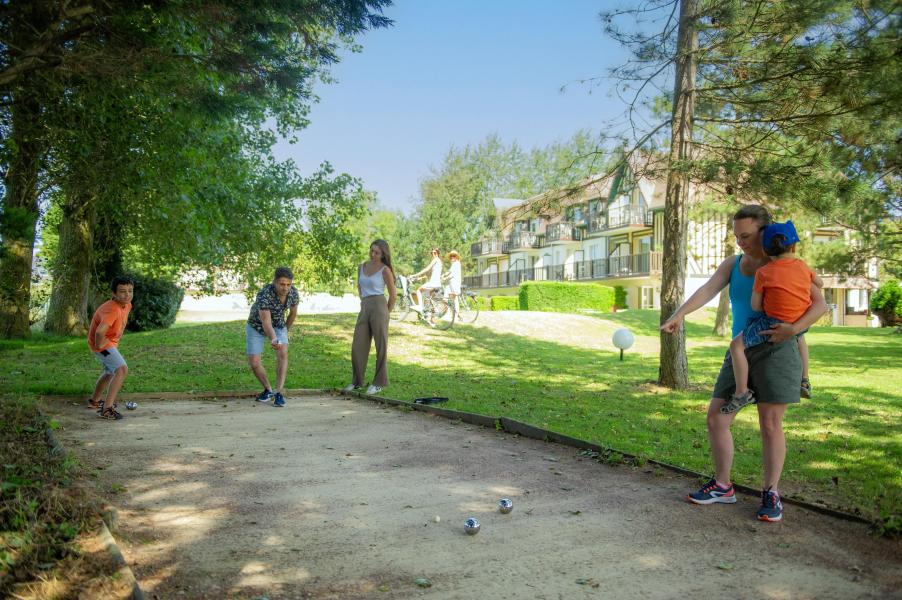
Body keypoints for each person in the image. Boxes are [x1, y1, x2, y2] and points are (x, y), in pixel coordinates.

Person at [660, 205, 827, 522]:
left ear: (765, 232)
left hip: (777, 349)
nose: (740, 242)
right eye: (737, 236)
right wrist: (678, 315)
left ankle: (771, 493)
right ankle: (723, 486)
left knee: (770, 425)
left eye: (747, 236)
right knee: (716, 418)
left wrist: (794, 328)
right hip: (740, 352)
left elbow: (821, 303)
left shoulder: (787, 266)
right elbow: (708, 289)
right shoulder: (734, 264)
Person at [723, 221, 821, 414]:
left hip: (772, 322)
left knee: (736, 346)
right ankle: (804, 380)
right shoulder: (803, 267)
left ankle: (742, 392)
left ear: (766, 250)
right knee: (800, 338)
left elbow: (755, 306)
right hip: (799, 321)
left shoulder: (764, 272)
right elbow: (820, 282)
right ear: (794, 246)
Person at [343, 240, 397, 395]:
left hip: (380, 306)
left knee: (381, 346)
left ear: (383, 254)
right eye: (371, 251)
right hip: (365, 306)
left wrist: (386, 313)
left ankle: (379, 382)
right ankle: (357, 381)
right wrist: (363, 302)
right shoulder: (362, 267)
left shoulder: (385, 270)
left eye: (377, 253)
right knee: (357, 345)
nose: (373, 255)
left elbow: (393, 295)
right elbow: (360, 287)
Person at [246, 266, 299, 408]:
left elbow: (293, 314)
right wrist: (274, 339)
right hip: (256, 325)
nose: (285, 288)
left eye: (288, 284)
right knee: (254, 362)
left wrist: (285, 331)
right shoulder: (264, 294)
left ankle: (279, 392)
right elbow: (266, 322)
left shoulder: (293, 293)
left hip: (279, 325)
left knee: (283, 353)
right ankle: (268, 389)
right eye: (282, 284)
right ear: (274, 282)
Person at [88, 276, 135, 421]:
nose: (127, 294)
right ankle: (107, 409)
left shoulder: (127, 305)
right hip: (102, 343)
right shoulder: (112, 309)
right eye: (122, 291)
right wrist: (99, 346)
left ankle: (95, 401)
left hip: (109, 343)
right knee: (121, 369)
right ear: (114, 293)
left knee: (110, 371)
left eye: (130, 291)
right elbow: (100, 331)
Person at [410, 247, 443, 312]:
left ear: (438, 254)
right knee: (428, 298)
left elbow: (427, 269)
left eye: (435, 253)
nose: (433, 254)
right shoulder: (440, 262)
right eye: (432, 253)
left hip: (433, 283)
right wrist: (417, 278)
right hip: (437, 283)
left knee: (419, 291)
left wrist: (414, 275)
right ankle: (432, 313)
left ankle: (420, 307)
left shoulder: (436, 259)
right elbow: (428, 275)